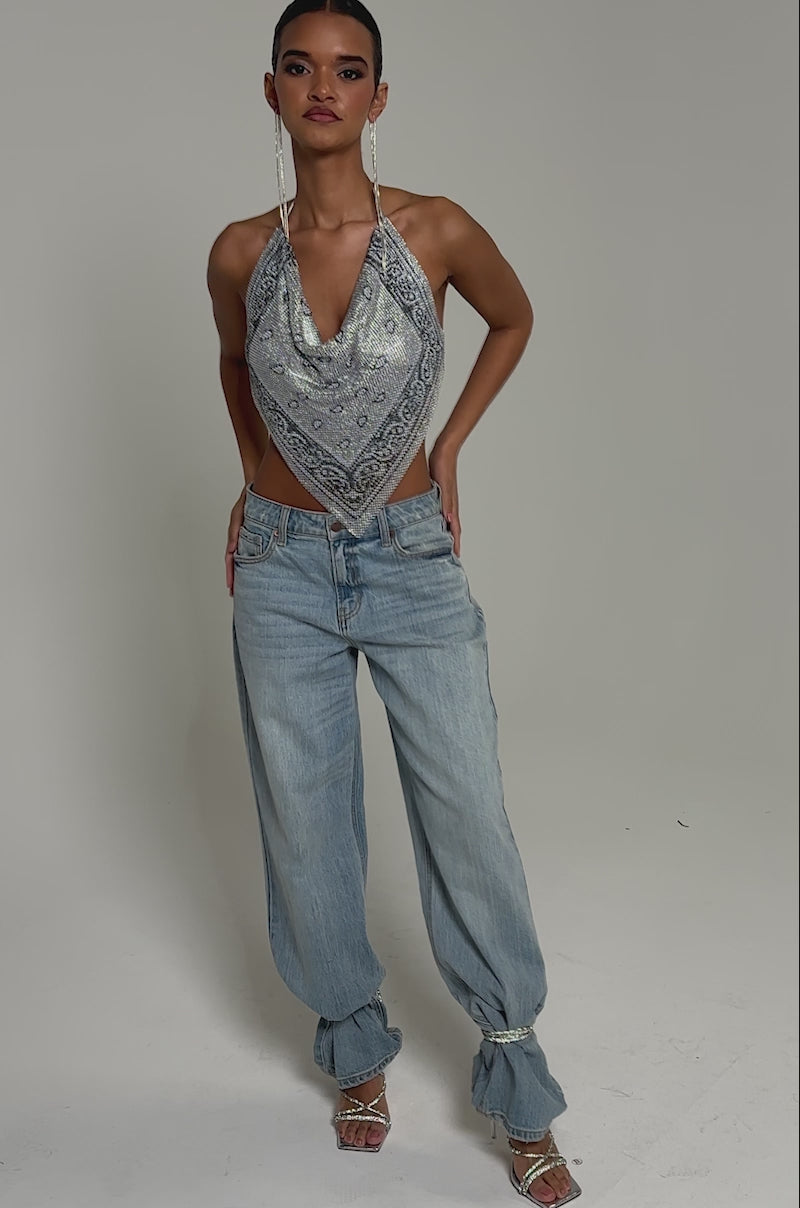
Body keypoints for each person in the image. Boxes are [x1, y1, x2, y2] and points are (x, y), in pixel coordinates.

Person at [206, 2, 581, 1203]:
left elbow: (513, 317)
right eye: (301, 68)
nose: (325, 86)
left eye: (349, 69)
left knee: (465, 811)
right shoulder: (232, 252)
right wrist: (245, 482)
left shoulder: (434, 230)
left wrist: (452, 446)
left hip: (410, 557)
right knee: (305, 828)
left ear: (378, 96)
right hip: (277, 564)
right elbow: (231, 363)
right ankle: (354, 1049)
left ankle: (517, 1083)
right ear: (270, 91)